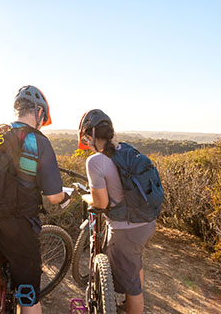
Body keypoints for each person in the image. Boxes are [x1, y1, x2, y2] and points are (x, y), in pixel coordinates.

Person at [0, 85, 70, 314]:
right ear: (38, 112)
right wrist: (65, 196)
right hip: (19, 227)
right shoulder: (39, 142)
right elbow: (53, 196)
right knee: (28, 294)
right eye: (42, 117)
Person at [77, 109, 156, 314]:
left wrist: (86, 197)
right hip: (146, 222)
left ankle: (133, 308)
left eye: (86, 139)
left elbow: (101, 204)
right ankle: (126, 305)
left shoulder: (95, 161)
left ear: (90, 137)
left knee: (133, 288)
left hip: (125, 230)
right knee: (134, 265)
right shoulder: (125, 150)